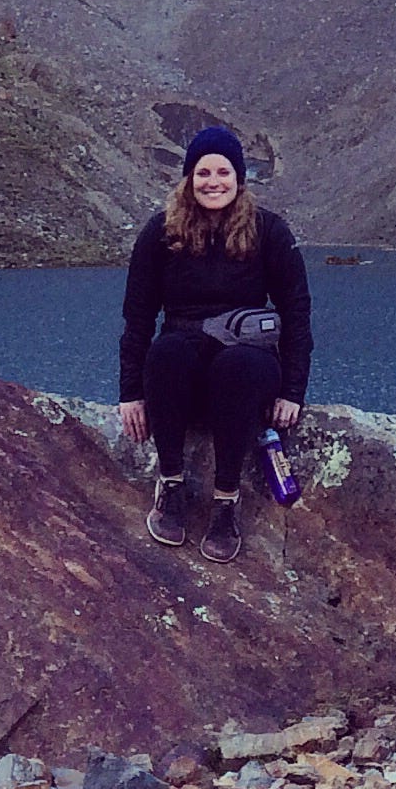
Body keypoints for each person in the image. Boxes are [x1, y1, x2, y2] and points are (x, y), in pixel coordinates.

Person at [116, 125, 312, 563]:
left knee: (236, 367)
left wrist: (292, 391)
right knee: (166, 353)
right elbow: (138, 318)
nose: (213, 182)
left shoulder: (269, 231)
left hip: (248, 361)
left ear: (239, 178)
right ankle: (171, 485)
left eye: (223, 172)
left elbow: (297, 314)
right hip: (183, 357)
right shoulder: (159, 233)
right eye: (203, 172)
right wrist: (130, 393)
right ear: (189, 178)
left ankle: (226, 502)